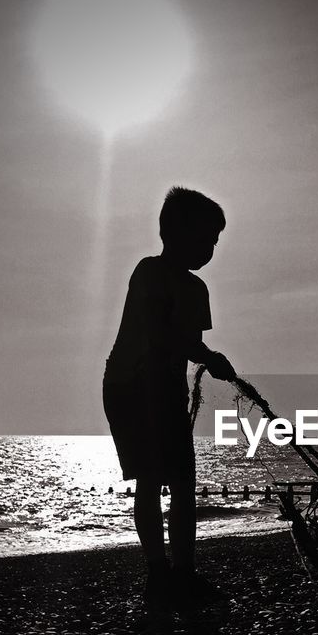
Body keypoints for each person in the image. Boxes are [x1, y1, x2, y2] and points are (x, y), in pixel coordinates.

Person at [103, 186, 237, 611]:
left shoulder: (198, 291)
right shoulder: (148, 272)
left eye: (215, 242)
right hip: (130, 386)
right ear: (174, 233)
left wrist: (207, 356)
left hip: (166, 389)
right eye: (206, 239)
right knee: (150, 479)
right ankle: (159, 572)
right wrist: (209, 357)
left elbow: (187, 342)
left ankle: (183, 572)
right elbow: (161, 333)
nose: (210, 249)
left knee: (182, 482)